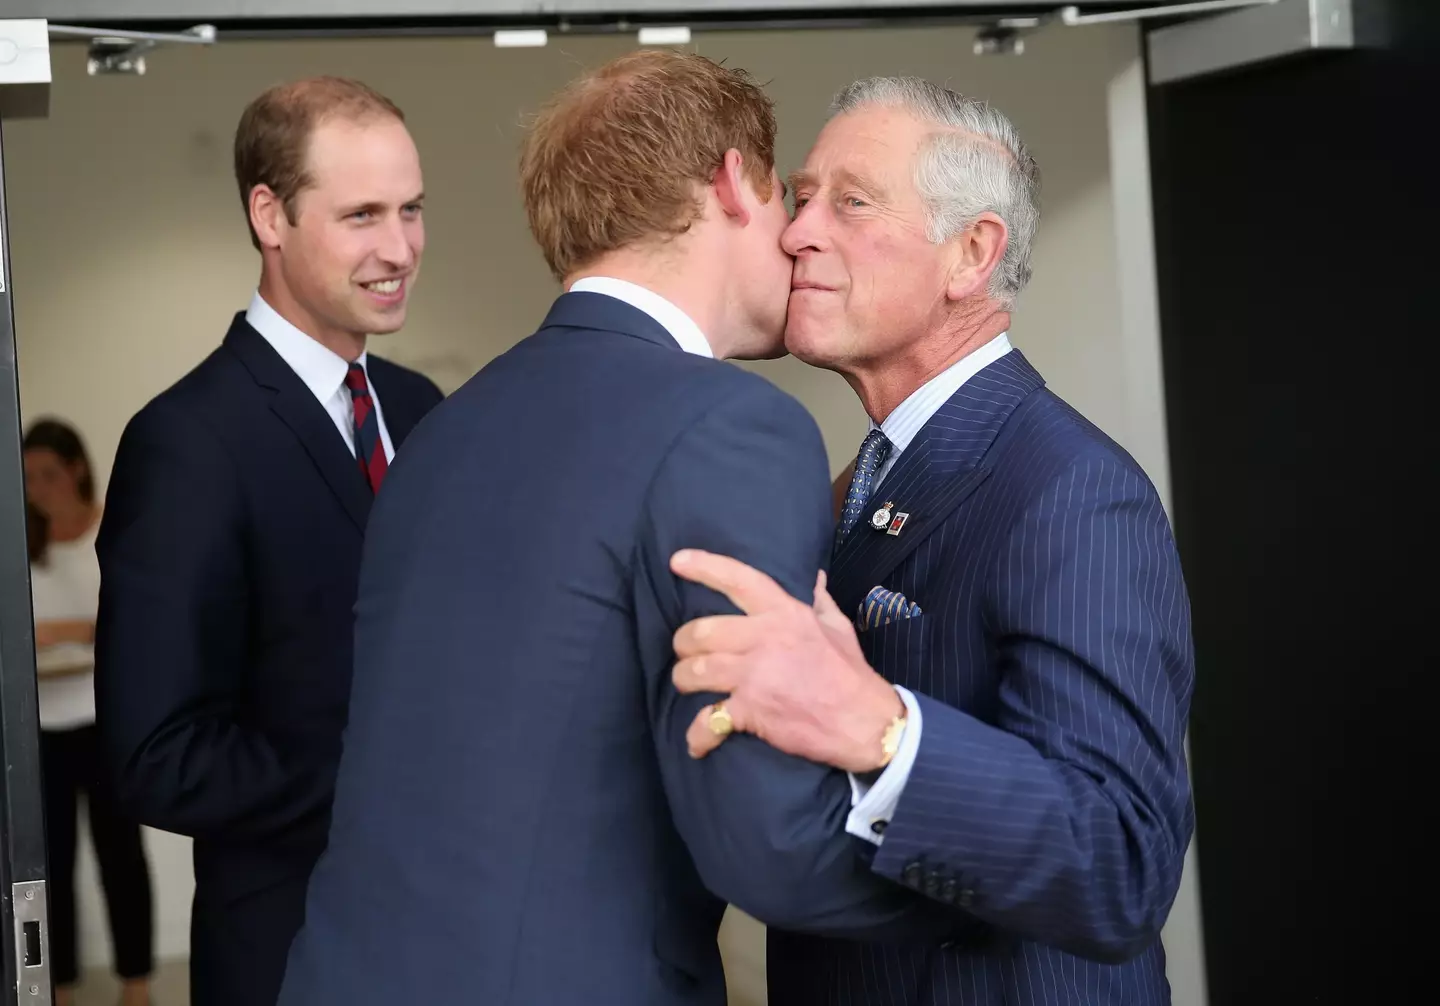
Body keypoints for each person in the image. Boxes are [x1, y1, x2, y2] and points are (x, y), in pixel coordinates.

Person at [277, 51, 961, 1006]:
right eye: (785, 198)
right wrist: (998, 882)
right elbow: (765, 844)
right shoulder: (732, 424)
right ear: (731, 182)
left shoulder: (442, 431)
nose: (801, 237)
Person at [668, 77, 1197, 1005]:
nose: (795, 233)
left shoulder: (1074, 493)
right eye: (799, 198)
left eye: (851, 202)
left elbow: (1119, 863)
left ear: (972, 254)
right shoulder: (860, 480)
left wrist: (879, 729)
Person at [93, 76, 444, 1006]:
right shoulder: (187, 442)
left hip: (448, 939)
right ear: (269, 213)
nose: (400, 247)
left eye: (412, 210)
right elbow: (154, 756)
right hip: (288, 961)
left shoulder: (421, 409)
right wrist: (390, 779)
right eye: (363, 214)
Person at [24, 419, 155, 1006]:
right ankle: (62, 989)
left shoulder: (114, 529)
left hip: (107, 722)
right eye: (26, 477)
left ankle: (136, 984)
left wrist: (71, 630)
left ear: (76, 468)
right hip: (42, 730)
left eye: (48, 474)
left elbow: (139, 621)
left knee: (121, 858)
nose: (37, 488)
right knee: (50, 868)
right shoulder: (20, 543)